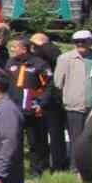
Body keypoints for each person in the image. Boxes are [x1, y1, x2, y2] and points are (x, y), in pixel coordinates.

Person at [4, 37, 52, 177]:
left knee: (35, 141)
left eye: (14, 47)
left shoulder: (39, 64)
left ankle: (36, 170)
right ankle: (15, 170)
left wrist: (41, 103)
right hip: (14, 109)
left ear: (24, 49)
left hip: (32, 109)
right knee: (14, 141)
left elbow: (49, 86)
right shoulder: (10, 63)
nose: (12, 49)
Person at [56, 30, 92, 147]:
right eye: (77, 42)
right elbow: (58, 83)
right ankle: (75, 164)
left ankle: (90, 164)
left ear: (91, 42)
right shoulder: (65, 58)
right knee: (76, 139)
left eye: (83, 41)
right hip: (74, 106)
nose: (80, 44)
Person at [31, 32, 69, 171]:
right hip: (45, 96)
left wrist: (43, 45)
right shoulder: (50, 53)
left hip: (50, 97)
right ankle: (52, 163)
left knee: (53, 133)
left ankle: (56, 164)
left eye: (34, 44)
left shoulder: (48, 52)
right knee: (47, 133)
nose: (32, 48)